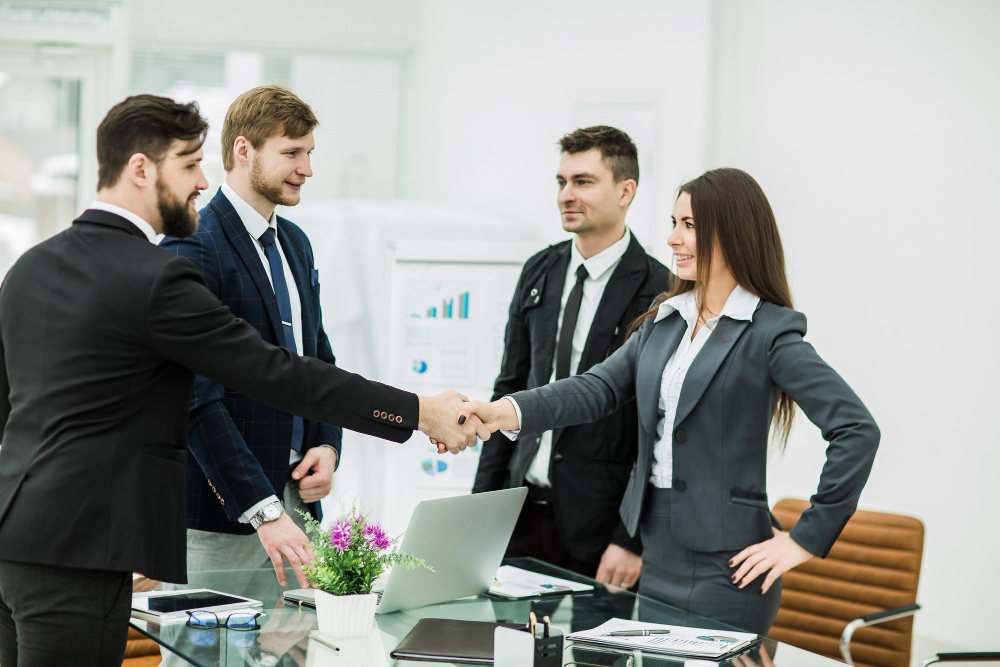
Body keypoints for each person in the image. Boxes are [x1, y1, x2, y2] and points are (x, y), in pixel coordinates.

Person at [0, 94, 486, 667]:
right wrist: (419, 411)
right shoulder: (156, 276)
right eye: (188, 164)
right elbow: (275, 373)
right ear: (139, 169)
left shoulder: (32, 265)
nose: (201, 182)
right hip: (84, 552)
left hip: (16, 542)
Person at [457, 167, 880, 634]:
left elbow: (856, 430)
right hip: (657, 557)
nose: (674, 239)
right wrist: (504, 412)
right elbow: (595, 388)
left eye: (690, 226)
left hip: (729, 570)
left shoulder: (769, 332)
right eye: (674, 223)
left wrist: (804, 538)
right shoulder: (665, 320)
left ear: (733, 234)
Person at [472, 126, 671, 587]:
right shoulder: (540, 269)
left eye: (583, 181)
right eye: (561, 182)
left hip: (600, 528)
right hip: (519, 510)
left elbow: (658, 429)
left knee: (590, 658)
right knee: (503, 651)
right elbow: (510, 387)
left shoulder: (659, 291)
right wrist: (480, 508)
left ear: (626, 191)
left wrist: (631, 538)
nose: (566, 194)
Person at [159, 86, 343, 573]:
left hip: (299, 510)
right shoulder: (191, 244)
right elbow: (192, 396)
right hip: (220, 520)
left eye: (309, 154)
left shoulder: (296, 244)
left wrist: (327, 446)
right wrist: (262, 508)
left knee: (302, 650)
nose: (307, 169)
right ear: (243, 150)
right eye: (291, 153)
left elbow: (317, 360)